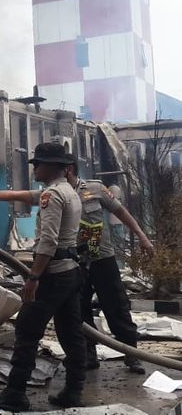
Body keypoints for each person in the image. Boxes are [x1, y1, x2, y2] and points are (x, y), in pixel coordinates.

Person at [0, 142, 85, 410]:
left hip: (53, 275)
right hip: (71, 273)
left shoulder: (52, 196)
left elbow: (48, 242)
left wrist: (33, 279)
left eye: (38, 163)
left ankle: (15, 394)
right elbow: (21, 195)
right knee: (71, 334)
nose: (34, 167)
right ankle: (73, 390)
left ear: (52, 166)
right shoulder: (67, 191)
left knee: (27, 331)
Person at [64, 153, 151, 374]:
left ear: (69, 169)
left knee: (116, 306)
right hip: (75, 262)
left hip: (102, 258)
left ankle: (131, 354)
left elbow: (121, 212)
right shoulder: (54, 194)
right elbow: (24, 196)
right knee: (79, 309)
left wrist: (142, 236)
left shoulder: (96, 189)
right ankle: (88, 355)